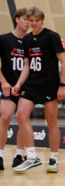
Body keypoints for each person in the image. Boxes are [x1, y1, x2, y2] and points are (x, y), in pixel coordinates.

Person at [12, 7, 65, 173]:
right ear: (27, 21)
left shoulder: (52, 36)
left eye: (37, 20)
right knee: (21, 115)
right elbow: (27, 65)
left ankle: (53, 159)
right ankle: (31, 156)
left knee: (51, 121)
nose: (34, 23)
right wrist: (18, 83)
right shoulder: (27, 39)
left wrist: (62, 85)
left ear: (42, 20)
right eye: (31, 20)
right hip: (31, 85)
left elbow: (64, 61)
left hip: (49, 85)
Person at [0, 9, 29, 170]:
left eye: (30, 20)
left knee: (23, 120)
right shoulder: (4, 39)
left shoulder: (32, 41)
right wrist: (3, 82)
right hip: (8, 86)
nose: (28, 23)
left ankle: (18, 155)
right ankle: (0, 155)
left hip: (26, 87)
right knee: (5, 118)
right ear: (17, 19)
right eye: (25, 19)